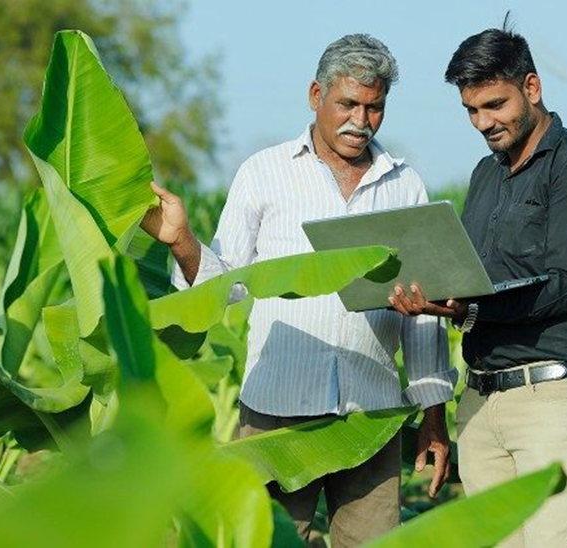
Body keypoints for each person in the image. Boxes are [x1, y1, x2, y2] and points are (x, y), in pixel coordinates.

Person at [141, 34, 456, 546]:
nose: (361, 120)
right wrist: (181, 241)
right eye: (348, 104)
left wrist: (433, 413)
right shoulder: (263, 173)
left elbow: (423, 313)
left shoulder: (404, 184)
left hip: (370, 413)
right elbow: (227, 284)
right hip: (277, 415)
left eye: (374, 107)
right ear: (316, 95)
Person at [387, 19, 567, 548]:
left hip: (550, 397)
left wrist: (468, 307)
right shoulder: (485, 174)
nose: (483, 122)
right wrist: (436, 292)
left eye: (494, 105)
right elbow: (473, 276)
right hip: (479, 399)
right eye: (471, 110)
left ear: (531, 88)